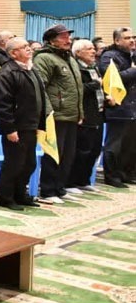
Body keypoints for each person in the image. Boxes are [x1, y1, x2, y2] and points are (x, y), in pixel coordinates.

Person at [0, 38, 49, 210]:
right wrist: (9, 129)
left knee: (29, 163)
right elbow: (2, 105)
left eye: (28, 46)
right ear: (13, 53)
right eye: (24, 47)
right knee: (14, 164)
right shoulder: (6, 73)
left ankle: (20, 194)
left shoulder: (31, 69)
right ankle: (5, 197)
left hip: (30, 125)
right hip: (16, 127)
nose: (29, 49)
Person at [33, 24, 83, 203]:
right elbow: (40, 87)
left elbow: (77, 88)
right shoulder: (44, 58)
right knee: (53, 154)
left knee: (68, 155)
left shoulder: (69, 58)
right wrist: (48, 112)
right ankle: (48, 190)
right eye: (63, 37)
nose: (68, 40)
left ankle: (60, 187)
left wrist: (80, 112)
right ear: (51, 40)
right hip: (55, 115)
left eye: (68, 37)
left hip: (71, 114)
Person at [98, 27, 136, 188]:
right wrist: (133, 70)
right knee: (115, 145)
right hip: (118, 107)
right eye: (127, 38)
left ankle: (126, 174)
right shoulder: (109, 56)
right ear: (117, 41)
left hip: (132, 107)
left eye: (133, 37)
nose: (132, 40)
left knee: (130, 145)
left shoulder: (132, 56)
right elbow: (112, 79)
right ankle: (112, 176)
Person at [68, 39, 104, 191]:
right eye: (89, 49)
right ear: (78, 53)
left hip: (98, 113)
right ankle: (71, 182)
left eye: (93, 48)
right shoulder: (75, 68)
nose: (93, 51)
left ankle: (84, 181)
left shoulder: (94, 67)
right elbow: (76, 89)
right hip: (84, 114)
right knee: (81, 150)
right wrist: (96, 84)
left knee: (94, 150)